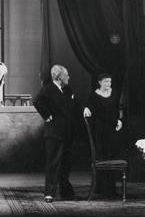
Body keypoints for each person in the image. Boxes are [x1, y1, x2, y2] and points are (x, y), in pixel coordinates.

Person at [33, 64, 79, 202]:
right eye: (66, 75)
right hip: (54, 133)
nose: (69, 77)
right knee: (53, 163)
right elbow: (37, 101)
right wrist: (47, 116)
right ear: (59, 77)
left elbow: (75, 106)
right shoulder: (48, 89)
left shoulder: (68, 89)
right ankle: (49, 193)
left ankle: (66, 192)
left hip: (68, 132)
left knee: (66, 163)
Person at [83, 72, 123, 197]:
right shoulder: (93, 95)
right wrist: (86, 108)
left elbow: (117, 109)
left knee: (112, 156)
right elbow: (89, 107)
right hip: (100, 130)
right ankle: (99, 187)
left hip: (112, 129)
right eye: (106, 81)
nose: (108, 84)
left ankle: (111, 189)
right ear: (99, 82)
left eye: (110, 81)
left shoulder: (114, 93)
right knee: (101, 157)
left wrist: (119, 120)